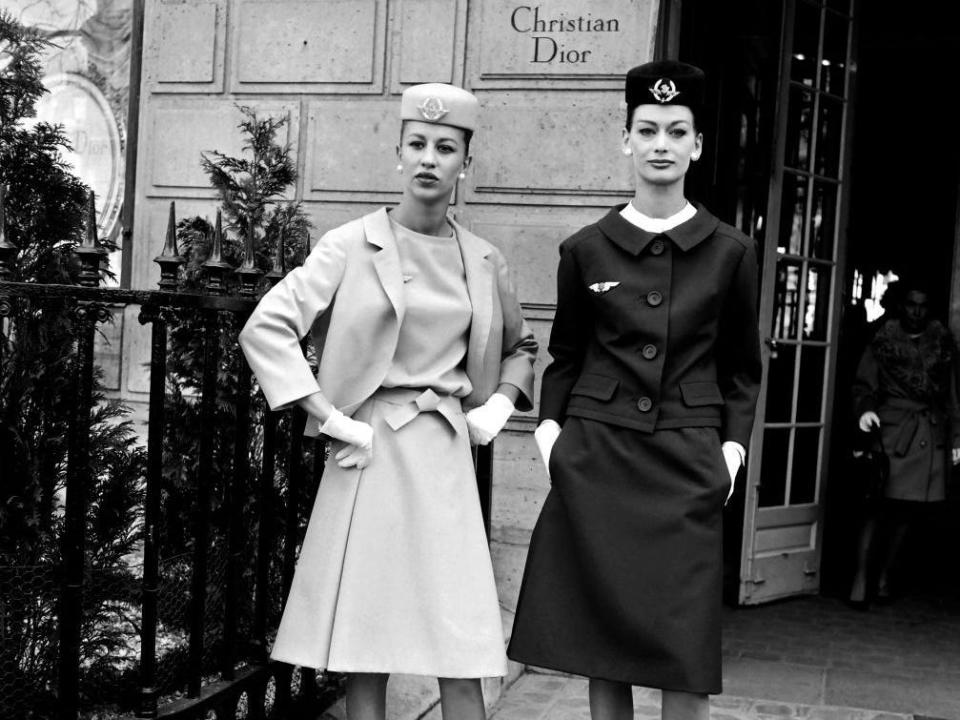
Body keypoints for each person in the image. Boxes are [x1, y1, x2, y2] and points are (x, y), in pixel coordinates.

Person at [238, 83, 537, 720]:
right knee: (364, 645)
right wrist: (329, 415)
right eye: (419, 144)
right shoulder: (350, 245)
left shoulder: (485, 260)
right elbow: (267, 325)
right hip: (369, 452)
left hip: (446, 453)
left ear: (466, 164)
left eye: (446, 148)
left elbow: (522, 346)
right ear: (398, 153)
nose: (431, 158)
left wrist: (500, 405)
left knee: (462, 648)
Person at [507, 60, 762, 720]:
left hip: (686, 463)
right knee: (604, 646)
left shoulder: (731, 252)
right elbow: (565, 357)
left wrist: (730, 456)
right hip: (599, 463)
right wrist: (551, 439)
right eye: (647, 129)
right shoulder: (586, 250)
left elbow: (741, 368)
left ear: (697, 145)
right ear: (625, 138)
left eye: (677, 131)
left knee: (684, 652)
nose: (660, 144)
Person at [848, 276, 960, 607]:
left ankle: (884, 573)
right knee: (874, 505)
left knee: (907, 513)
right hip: (891, 430)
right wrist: (865, 411)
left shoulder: (942, 344)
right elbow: (862, 385)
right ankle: (860, 576)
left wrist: (956, 437)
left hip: (927, 431)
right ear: (900, 305)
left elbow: (953, 396)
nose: (917, 311)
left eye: (923, 305)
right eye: (911, 303)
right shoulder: (882, 341)